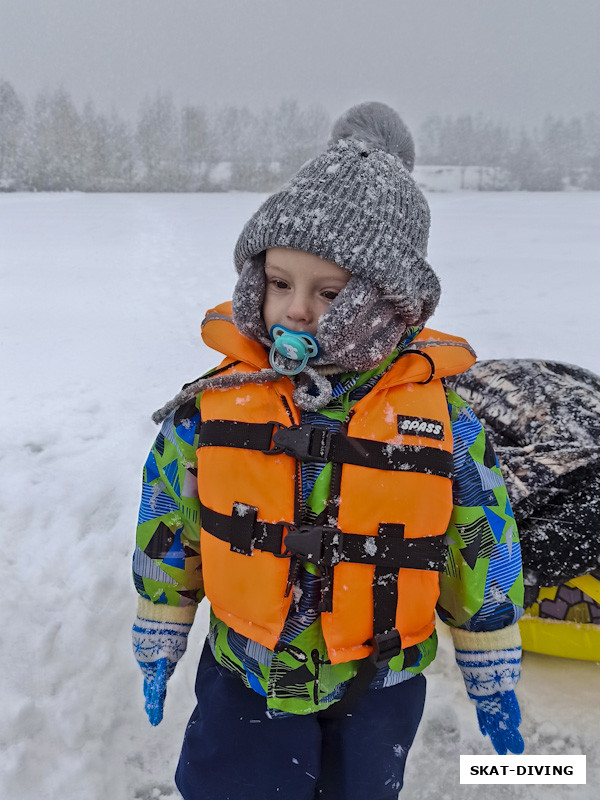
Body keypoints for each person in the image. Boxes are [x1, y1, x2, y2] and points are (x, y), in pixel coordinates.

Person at [131, 102, 525, 800]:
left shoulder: (442, 420)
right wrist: (163, 621)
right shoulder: (216, 405)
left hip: (379, 683)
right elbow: (173, 515)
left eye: (329, 291)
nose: (295, 311)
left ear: (391, 301)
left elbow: (481, 538)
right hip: (246, 670)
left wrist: (489, 653)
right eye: (278, 283)